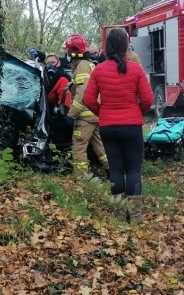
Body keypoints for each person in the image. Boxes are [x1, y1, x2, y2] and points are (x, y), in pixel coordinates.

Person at [83, 27, 153, 224]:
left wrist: (102, 113)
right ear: (125, 46)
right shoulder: (136, 69)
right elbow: (148, 99)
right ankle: (136, 217)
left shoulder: (98, 70)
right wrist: (138, 113)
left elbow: (88, 99)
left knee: (115, 169)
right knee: (133, 170)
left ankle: (121, 215)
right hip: (132, 126)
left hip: (108, 127)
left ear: (107, 46)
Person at [64, 34, 109, 175]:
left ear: (73, 52)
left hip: (84, 116)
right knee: (100, 146)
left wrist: (71, 114)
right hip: (94, 115)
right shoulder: (88, 64)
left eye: (67, 51)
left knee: (79, 146)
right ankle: (112, 170)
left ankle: (82, 178)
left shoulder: (82, 66)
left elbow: (82, 93)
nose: (65, 55)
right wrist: (71, 84)